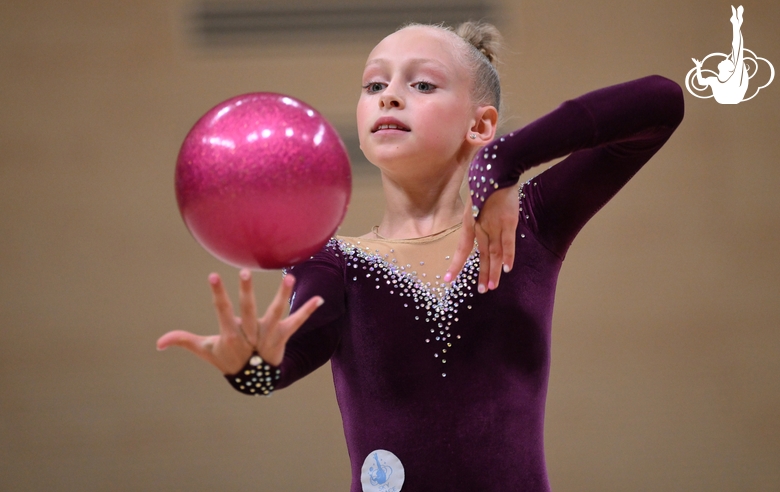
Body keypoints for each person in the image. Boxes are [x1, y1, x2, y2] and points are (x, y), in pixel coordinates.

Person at [158, 21, 684, 492]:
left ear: (480, 125)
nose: (389, 97)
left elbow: (661, 103)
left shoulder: (525, 224)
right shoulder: (333, 261)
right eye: (374, 84)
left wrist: (506, 159)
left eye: (422, 84)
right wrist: (253, 366)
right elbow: (287, 358)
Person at [692, 5, 748, 104]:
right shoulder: (714, 80)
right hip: (726, 97)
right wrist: (698, 67)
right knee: (737, 51)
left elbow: (737, 49)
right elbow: (701, 82)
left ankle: (736, 23)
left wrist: (736, 26)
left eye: (728, 61)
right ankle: (735, 23)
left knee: (737, 50)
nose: (725, 59)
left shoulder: (735, 77)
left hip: (733, 96)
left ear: (730, 69)